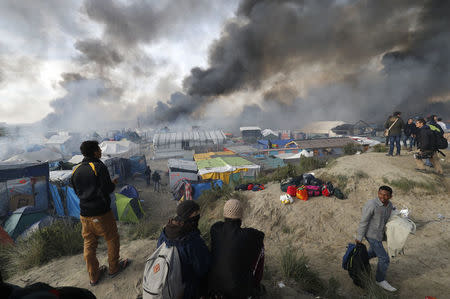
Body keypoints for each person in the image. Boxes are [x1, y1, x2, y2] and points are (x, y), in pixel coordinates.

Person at [71, 141, 129, 286]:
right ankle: (113, 268)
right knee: (112, 238)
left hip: (84, 214)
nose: (101, 151)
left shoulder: (76, 169)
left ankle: (93, 276)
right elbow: (107, 189)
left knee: (89, 243)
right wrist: (113, 183)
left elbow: (76, 191)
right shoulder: (98, 166)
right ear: (94, 152)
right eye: (99, 149)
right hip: (101, 213)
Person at [209, 199, 265, 299]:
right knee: (261, 248)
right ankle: (255, 286)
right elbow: (260, 235)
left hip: (215, 287)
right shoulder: (246, 235)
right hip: (238, 291)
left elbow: (220, 226)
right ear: (240, 216)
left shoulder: (215, 229)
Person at [157, 201, 210, 299]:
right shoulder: (192, 240)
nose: (198, 216)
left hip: (166, 281)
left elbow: (158, 250)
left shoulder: (165, 232)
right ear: (189, 216)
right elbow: (202, 268)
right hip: (186, 289)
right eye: (196, 214)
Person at [355, 186, 396, 292]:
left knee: (373, 253)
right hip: (371, 235)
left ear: (390, 196)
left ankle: (360, 263)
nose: (383, 197)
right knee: (384, 258)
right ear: (378, 193)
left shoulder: (390, 205)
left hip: (380, 235)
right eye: (381, 194)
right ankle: (380, 280)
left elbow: (392, 213)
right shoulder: (372, 204)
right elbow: (364, 221)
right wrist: (359, 237)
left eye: (386, 195)